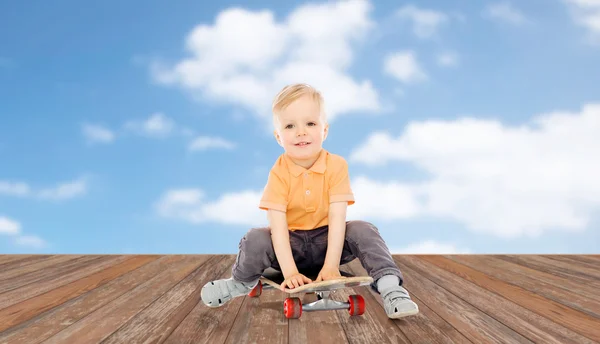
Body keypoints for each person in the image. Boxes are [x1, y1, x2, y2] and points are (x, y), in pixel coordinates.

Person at [201, 83, 419, 319]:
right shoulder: (278, 173)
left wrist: (331, 266)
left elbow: (337, 217)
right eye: (290, 125)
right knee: (255, 237)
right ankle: (240, 283)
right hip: (290, 245)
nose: (301, 132)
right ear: (278, 136)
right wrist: (290, 272)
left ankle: (392, 289)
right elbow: (278, 228)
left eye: (310, 123)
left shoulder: (337, 166)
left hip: (327, 241)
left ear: (324, 130)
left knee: (363, 229)